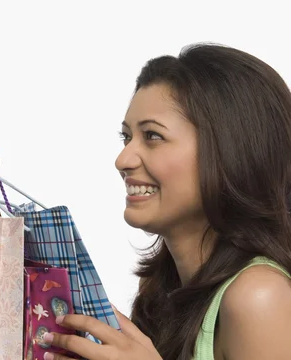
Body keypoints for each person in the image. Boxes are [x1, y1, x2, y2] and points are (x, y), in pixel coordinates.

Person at [43, 44, 291, 360]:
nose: (123, 159)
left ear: (229, 151)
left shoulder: (259, 297)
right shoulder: (159, 292)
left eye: (153, 136)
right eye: (126, 137)